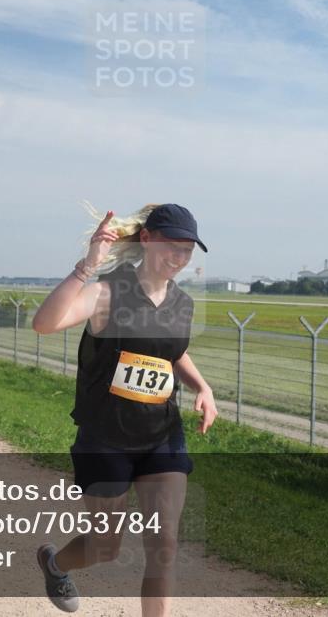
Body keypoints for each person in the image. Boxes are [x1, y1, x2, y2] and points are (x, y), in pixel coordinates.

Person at [32, 204, 217, 616]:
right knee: (106, 547)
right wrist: (86, 267)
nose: (180, 258)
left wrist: (201, 386)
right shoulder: (107, 293)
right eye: (173, 246)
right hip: (106, 438)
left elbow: (172, 353)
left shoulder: (182, 304)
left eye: (188, 251)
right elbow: (44, 324)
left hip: (161, 435)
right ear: (148, 239)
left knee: (165, 542)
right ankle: (55, 564)